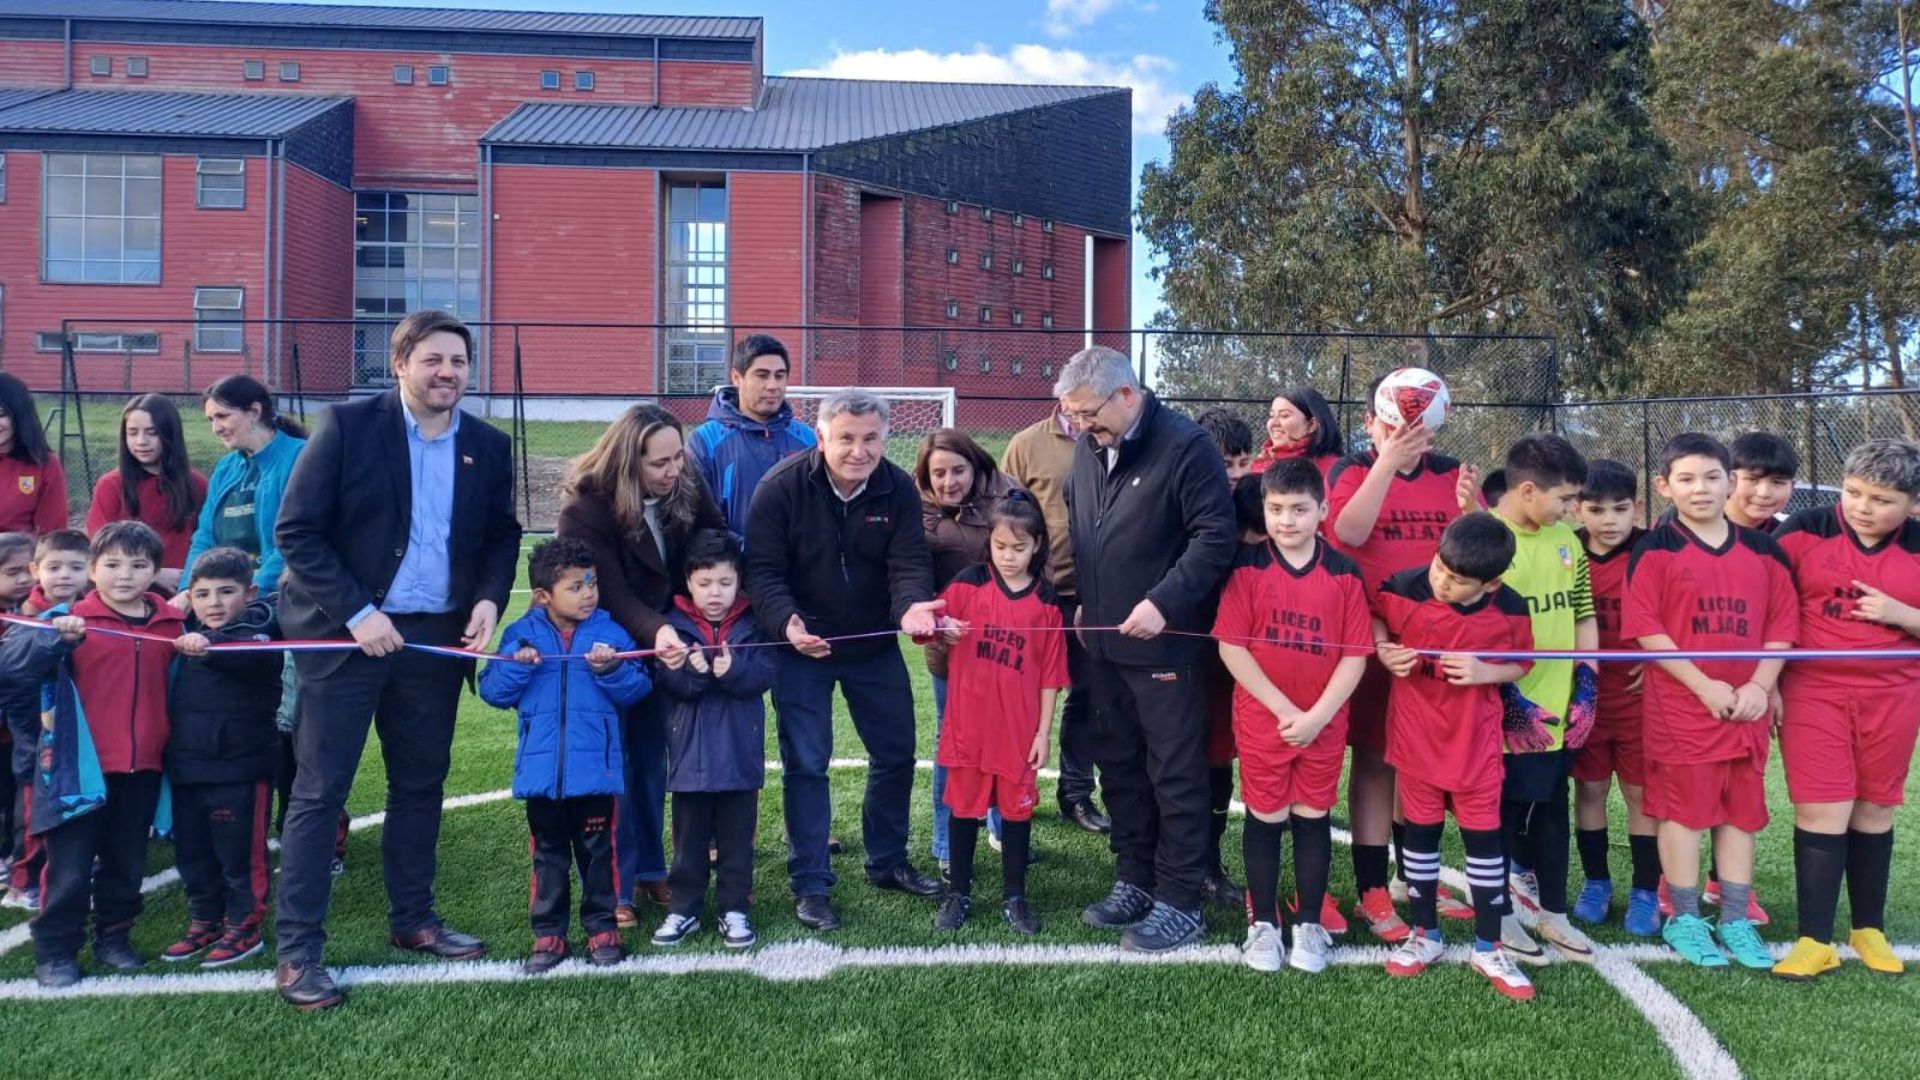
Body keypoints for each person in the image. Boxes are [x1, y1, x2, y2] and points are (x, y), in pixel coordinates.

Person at [271, 310, 521, 1011]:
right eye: (433, 359)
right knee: (321, 792)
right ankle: (298, 952)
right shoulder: (346, 426)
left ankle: (413, 919)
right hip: (345, 637)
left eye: (458, 362)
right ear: (401, 362)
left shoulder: (487, 445)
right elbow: (297, 532)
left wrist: (487, 599)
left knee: (421, 784)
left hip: (432, 642)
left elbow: (502, 535)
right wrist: (358, 613)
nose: (448, 372)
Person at [745, 388, 947, 931]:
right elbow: (762, 571)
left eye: (871, 438)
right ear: (821, 438)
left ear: (885, 437)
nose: (859, 451)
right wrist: (787, 624)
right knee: (807, 763)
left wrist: (911, 608)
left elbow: (910, 564)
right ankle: (811, 883)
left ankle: (887, 861)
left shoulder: (898, 488)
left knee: (896, 753)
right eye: (847, 439)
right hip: (802, 648)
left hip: (873, 646)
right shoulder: (780, 488)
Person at [1057, 347, 1237, 952]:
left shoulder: (1187, 447)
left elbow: (1215, 537)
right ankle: (1134, 878)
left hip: (1167, 648)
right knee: (1120, 767)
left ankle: (1181, 900)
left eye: (1088, 413)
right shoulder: (1088, 447)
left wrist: (1163, 602)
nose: (1082, 426)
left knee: (1175, 773)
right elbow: (1084, 528)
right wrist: (1087, 600)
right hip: (1103, 644)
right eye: (1073, 416)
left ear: (1128, 395)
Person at [1625, 433, 1797, 971]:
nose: (1700, 488)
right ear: (1665, 487)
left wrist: (1759, 687)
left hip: (1745, 709)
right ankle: (1684, 917)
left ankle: (1736, 919)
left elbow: (1782, 628)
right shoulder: (1654, 549)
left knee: (1739, 815)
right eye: (1686, 479)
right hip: (1683, 710)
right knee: (1683, 813)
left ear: (1731, 483)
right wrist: (1704, 686)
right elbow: (1648, 630)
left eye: (1712, 477)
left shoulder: (1765, 552)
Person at [557, 404, 727, 923]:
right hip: (608, 651)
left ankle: (652, 869)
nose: (673, 470)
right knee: (614, 767)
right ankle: (614, 885)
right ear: (628, 463)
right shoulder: (586, 508)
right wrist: (659, 631)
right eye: (659, 463)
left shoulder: (685, 483)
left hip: (667, 644)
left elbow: (714, 543)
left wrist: (711, 605)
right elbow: (608, 591)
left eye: (678, 458)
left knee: (651, 763)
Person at [1327, 375, 1482, 940]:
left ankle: (1411, 877)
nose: (1405, 436)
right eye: (1392, 425)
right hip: (1373, 639)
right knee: (1374, 761)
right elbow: (1349, 531)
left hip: (1434, 641)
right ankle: (1371, 888)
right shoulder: (1351, 469)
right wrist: (1388, 462)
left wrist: (1472, 509)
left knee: (1418, 765)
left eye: (1416, 427)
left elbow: (1479, 552)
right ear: (1371, 422)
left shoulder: (1451, 472)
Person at [1372, 513, 1539, 1000]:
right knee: (1420, 836)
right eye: (1440, 568)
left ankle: (1488, 946)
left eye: (1457, 580)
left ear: (1491, 584)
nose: (1441, 582)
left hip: (1475, 746)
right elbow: (1376, 612)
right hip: (1415, 740)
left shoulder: (1511, 609)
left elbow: (1524, 662)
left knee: (1483, 842)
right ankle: (1425, 935)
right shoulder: (1405, 586)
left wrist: (1489, 672)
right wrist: (1384, 649)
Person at [1770, 440, 1920, 979]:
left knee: (1874, 809)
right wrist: (1769, 683)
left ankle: (1867, 929)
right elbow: (1768, 608)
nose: (1862, 507)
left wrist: (1905, 614)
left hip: (1895, 695)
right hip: (1815, 691)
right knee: (1823, 810)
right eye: (1854, 492)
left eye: (1881, 499)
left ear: (1913, 503)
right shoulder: (1804, 530)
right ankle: (1814, 939)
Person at [1215, 459, 1370, 974]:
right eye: (1276, 508)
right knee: (1264, 818)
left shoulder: (1344, 574)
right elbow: (1232, 647)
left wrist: (1317, 717)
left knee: (1311, 819)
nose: (1287, 520)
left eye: (1300, 509)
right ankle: (1263, 923)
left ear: (1323, 511)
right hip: (1265, 723)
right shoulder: (1247, 568)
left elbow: (1354, 656)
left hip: (1322, 727)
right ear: (1263, 508)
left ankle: (1308, 924)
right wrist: (1286, 711)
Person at [478, 538, 649, 975]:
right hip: (542, 778)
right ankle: (548, 933)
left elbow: (638, 687)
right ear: (543, 596)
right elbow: (493, 690)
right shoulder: (521, 635)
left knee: (599, 856)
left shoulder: (611, 633)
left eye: (592, 583)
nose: (589, 594)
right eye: (576, 587)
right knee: (548, 859)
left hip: (596, 776)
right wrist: (518, 665)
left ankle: (602, 929)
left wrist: (610, 668)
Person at [30, 522, 183, 989]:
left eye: (138, 565)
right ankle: (56, 950)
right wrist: (54, 640)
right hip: (80, 771)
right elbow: (15, 668)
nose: (125, 575)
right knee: (70, 868)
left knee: (127, 863)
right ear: (92, 570)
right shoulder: (68, 620)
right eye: (112, 564)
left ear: (155, 572)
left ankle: (113, 937)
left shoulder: (172, 625)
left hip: (143, 768)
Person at [927, 495, 1068, 935]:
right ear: (989, 542)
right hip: (968, 729)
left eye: (1019, 548)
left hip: (1018, 733)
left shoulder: (1047, 603)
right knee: (963, 810)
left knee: (1016, 813)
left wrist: (1043, 734)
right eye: (1000, 546)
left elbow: (1051, 677)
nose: (1008, 556)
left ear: (1037, 545)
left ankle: (1015, 896)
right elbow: (928, 625)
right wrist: (942, 629)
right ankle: (958, 892)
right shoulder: (967, 585)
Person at [1489, 435, 1599, 966]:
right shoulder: (1485, 538)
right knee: (1502, 813)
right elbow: (1467, 626)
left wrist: (1588, 682)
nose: (1573, 510)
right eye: (1565, 498)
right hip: (1503, 711)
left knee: (1553, 807)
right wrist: (1509, 699)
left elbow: (1583, 614)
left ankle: (1554, 913)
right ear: (1528, 490)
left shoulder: (1568, 542)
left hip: (1559, 709)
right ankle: (1500, 915)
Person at [651, 531, 776, 950]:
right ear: (688, 581)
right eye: (704, 583)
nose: (715, 592)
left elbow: (764, 675)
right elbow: (669, 682)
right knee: (688, 841)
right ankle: (683, 908)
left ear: (739, 581)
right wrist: (695, 672)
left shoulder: (754, 623)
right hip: (689, 755)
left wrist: (733, 671)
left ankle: (734, 907)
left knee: (737, 841)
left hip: (740, 754)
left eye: (725, 582)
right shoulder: (673, 626)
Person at [160, 546, 284, 969]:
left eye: (226, 592)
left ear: (249, 593)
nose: (213, 602)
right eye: (202, 594)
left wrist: (208, 645)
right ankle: (205, 920)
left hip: (241, 769)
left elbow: (246, 655)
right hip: (187, 767)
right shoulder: (181, 633)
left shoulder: (262, 632)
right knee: (193, 854)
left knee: (240, 855)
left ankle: (244, 926)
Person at [914, 428, 1023, 879]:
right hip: (952, 649)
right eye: (938, 473)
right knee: (953, 742)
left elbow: (1032, 555)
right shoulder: (915, 509)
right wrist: (935, 618)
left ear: (976, 466)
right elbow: (912, 575)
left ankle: (1002, 827)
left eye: (957, 470)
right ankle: (946, 843)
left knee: (1008, 736)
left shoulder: (1009, 494)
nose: (949, 481)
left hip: (1008, 646)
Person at [999, 405, 1107, 834]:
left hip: (1093, 596)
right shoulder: (1027, 445)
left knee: (1087, 695)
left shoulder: (1111, 439)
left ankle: (1076, 793)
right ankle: (1009, 795)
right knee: (1020, 699)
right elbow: (1006, 517)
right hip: (1036, 596)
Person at [1568, 460, 1660, 936]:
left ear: (1637, 508)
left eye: (1619, 509)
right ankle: (1596, 883)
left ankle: (1646, 891)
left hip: (1639, 699)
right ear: (1577, 510)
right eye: (1596, 509)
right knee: (1590, 790)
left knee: (1641, 794)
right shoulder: (1567, 551)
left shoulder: (1653, 549)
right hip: (1585, 698)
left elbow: (1680, 607)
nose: (1609, 520)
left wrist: (1660, 656)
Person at [3, 529, 90, 911]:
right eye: (54, 567)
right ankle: (22, 881)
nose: (65, 575)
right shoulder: (26, 617)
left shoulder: (91, 610)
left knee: (71, 811)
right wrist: (56, 637)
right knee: (33, 816)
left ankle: (65, 870)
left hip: (77, 734)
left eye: (75, 567)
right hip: (35, 737)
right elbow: (15, 670)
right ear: (37, 570)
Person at [184, 375, 309, 594]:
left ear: (254, 412)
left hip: (280, 595)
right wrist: (188, 589)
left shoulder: (301, 456)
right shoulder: (226, 468)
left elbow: (298, 538)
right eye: (211, 419)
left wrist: (253, 591)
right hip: (225, 595)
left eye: (222, 416)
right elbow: (205, 537)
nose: (216, 428)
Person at [686, 334, 817, 542]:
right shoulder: (704, 441)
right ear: (736, 377)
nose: (773, 385)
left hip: (795, 561)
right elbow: (697, 518)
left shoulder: (808, 439)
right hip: (733, 560)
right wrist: (745, 551)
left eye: (780, 376)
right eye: (762, 375)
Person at [86, 394, 208, 593]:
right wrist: (155, 574)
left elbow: (207, 541)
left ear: (170, 434)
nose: (141, 441)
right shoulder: (111, 485)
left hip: (185, 589)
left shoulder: (196, 484)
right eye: (132, 433)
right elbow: (100, 549)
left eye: (152, 433)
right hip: (127, 590)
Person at [0, 532, 33, 890]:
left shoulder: (36, 612)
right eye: (12, 572)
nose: (24, 579)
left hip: (20, 731)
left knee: (16, 796)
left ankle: (14, 853)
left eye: (29, 570)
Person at [0, 372, 69, 535]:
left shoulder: (44, 464)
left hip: (20, 551)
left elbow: (53, 534)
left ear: (19, 415)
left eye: (1, 414)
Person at [1250, 387, 1344, 481]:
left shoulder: (1333, 470)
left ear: (1312, 425)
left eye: (1284, 416)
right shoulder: (1259, 464)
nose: (1273, 423)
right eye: (1271, 415)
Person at [1728, 431, 1799, 533]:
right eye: (1752, 479)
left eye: (1777, 482)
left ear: (1792, 487)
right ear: (1729, 481)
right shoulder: (1704, 530)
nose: (1764, 493)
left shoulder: (1787, 537)